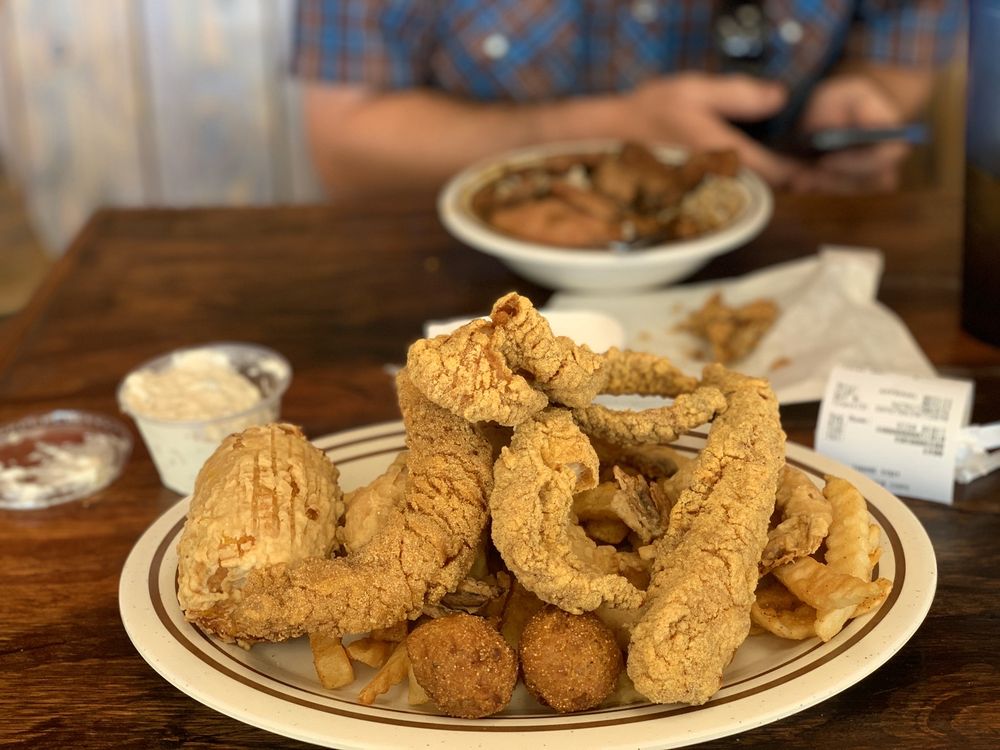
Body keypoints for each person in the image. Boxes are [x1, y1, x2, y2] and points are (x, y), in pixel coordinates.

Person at [292, 0, 963, 200]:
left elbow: (892, 67)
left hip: (782, 268)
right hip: (471, 293)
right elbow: (346, 144)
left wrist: (858, 102)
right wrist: (612, 129)